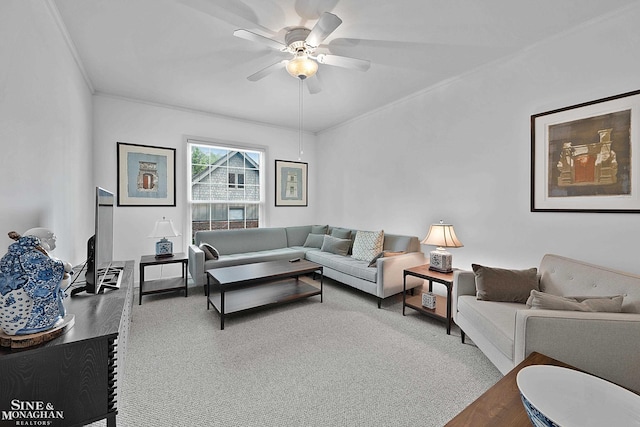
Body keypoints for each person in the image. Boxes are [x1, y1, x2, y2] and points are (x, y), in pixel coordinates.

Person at [0, 230, 67, 336]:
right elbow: (46, 273)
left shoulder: (14, 254)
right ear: (43, 241)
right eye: (53, 241)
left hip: (7, 319)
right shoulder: (31, 254)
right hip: (24, 318)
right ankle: (41, 324)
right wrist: (63, 266)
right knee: (43, 297)